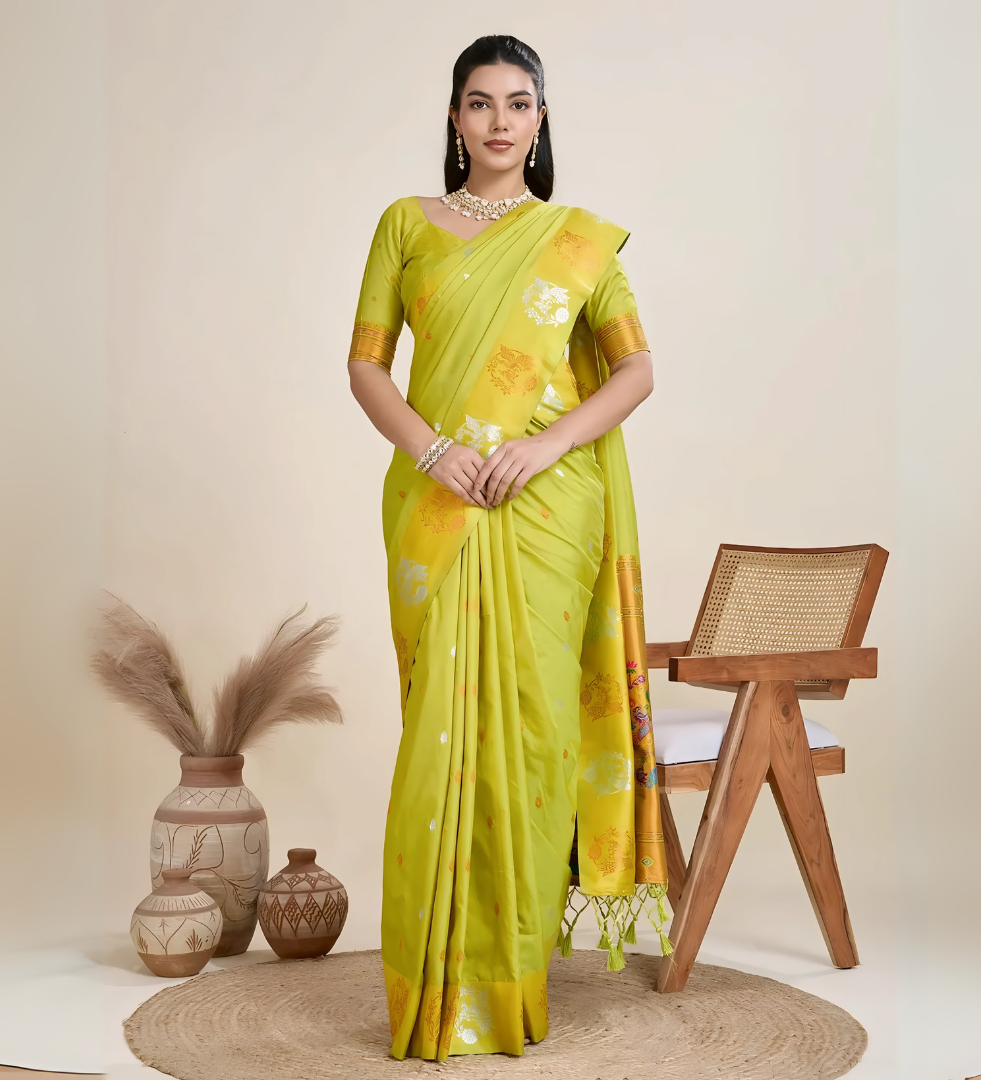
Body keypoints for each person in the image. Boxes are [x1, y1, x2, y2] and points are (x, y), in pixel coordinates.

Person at [347, 34, 669, 1061]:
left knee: (532, 732)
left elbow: (635, 373)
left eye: (517, 103)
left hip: (546, 508)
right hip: (437, 505)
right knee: (438, 729)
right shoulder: (405, 225)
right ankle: (437, 991)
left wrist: (541, 447)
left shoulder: (576, 241)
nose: (497, 121)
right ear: (453, 117)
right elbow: (366, 369)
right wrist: (436, 451)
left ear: (541, 119)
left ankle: (512, 988)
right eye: (479, 102)